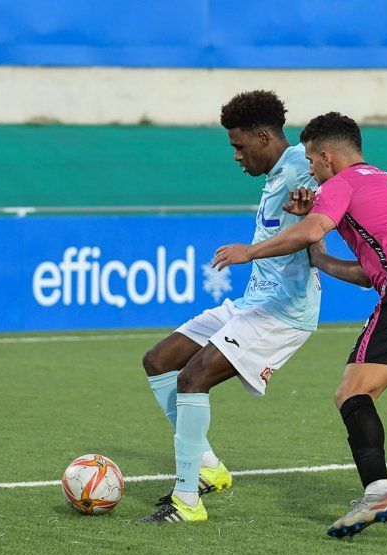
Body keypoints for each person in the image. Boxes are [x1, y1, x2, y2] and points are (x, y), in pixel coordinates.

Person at [212, 112, 387, 536]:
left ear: (328, 156)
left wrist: (253, 250)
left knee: (351, 393)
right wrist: (319, 254)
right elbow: (367, 270)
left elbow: (309, 230)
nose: (313, 172)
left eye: (313, 163)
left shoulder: (341, 183)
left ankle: (378, 493)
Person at [139, 91, 321, 523]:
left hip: (283, 311)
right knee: (159, 360)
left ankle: (187, 500)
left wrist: (251, 251)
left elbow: (334, 200)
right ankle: (207, 467)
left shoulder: (301, 166)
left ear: (263, 137)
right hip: (251, 303)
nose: (236, 156)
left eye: (239, 146)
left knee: (193, 377)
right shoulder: (276, 174)